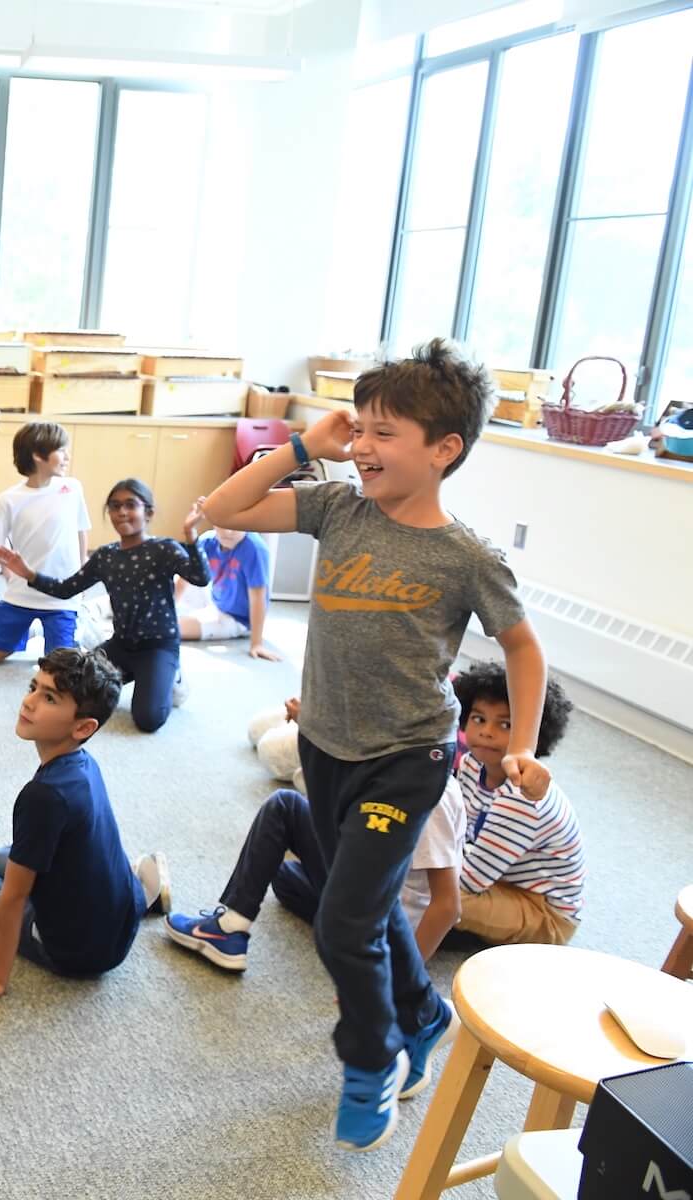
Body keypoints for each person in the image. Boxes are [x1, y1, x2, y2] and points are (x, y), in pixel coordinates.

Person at [200, 337, 547, 1152]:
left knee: (341, 923)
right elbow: (223, 509)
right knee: (367, 901)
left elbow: (524, 649)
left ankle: (372, 1059)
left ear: (444, 449)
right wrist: (297, 447)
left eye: (383, 433)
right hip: (324, 744)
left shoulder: (466, 556)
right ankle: (426, 1016)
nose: (360, 445)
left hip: (407, 759)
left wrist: (525, 746)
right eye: (358, 428)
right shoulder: (336, 507)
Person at [0, 648, 167, 1009]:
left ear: (83, 727)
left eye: (49, 697)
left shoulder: (44, 796)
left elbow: (14, 898)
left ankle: (128, 901)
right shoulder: (84, 762)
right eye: (33, 687)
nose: (29, 702)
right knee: (2, 857)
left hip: (79, 952)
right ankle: (146, 891)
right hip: (120, 917)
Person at [163, 778, 466, 971]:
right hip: (367, 894)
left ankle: (228, 928)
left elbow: (448, 906)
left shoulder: (430, 798)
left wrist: (400, 983)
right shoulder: (392, 768)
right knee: (281, 874)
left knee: (285, 805)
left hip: (384, 925)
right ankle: (345, 944)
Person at [0, 478, 208, 733]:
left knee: (148, 720)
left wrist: (191, 535)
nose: (122, 512)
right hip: (121, 644)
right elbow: (66, 589)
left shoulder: (164, 548)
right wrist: (29, 574)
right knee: (74, 687)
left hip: (158, 646)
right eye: (115, 506)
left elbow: (200, 577)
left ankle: (171, 677)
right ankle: (148, 677)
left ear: (148, 512)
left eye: (130, 505)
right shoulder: (106, 556)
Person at [451, 660, 583, 945]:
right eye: (478, 718)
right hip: (499, 877)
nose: (486, 731)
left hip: (545, 913)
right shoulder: (473, 764)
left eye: (505, 724)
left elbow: (468, 882)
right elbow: (458, 831)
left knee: (428, 889)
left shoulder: (520, 798)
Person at [0, 422, 91, 664]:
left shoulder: (73, 488)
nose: (67, 456)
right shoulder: (8, 500)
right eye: (61, 450)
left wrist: (82, 579)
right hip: (21, 595)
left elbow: (82, 531)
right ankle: (30, 630)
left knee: (59, 666)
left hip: (62, 597)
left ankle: (71, 630)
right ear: (38, 456)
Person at [178, 525, 280, 660]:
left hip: (236, 619)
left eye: (235, 527)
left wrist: (257, 643)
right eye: (222, 525)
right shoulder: (207, 541)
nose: (228, 532)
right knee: (176, 577)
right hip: (215, 600)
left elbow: (258, 597)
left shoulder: (255, 549)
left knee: (171, 629)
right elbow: (184, 578)